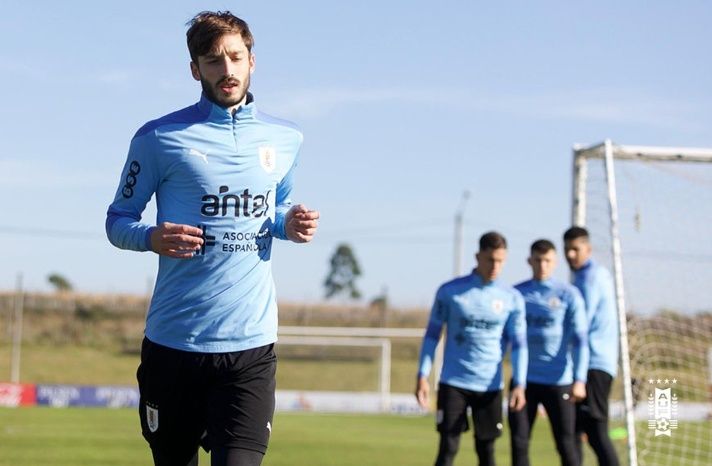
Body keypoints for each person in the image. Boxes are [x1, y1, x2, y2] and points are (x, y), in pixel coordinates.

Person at [105, 11, 319, 466]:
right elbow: (118, 220)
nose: (227, 70)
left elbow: (275, 209)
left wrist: (289, 223)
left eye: (236, 57)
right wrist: (151, 237)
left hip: (249, 347)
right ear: (195, 69)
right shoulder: (158, 138)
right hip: (174, 344)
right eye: (213, 60)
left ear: (252, 61)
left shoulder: (286, 139)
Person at [415, 231, 527, 466]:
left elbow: (519, 345)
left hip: (490, 385)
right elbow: (432, 335)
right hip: (454, 381)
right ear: (478, 257)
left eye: (501, 261)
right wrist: (422, 375)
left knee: (487, 451)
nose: (495, 266)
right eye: (490, 260)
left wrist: (519, 383)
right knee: (448, 447)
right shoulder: (450, 292)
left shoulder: (512, 298)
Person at [509, 239, 589, 466]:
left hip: (559, 381)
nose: (542, 265)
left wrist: (580, 379)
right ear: (529, 261)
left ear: (555, 262)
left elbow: (581, 340)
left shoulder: (568, 295)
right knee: (519, 443)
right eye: (538, 260)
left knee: (566, 444)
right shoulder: (517, 294)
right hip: (524, 382)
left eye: (547, 260)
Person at [563, 227, 620, 466]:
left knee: (595, 430)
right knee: (574, 431)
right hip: (590, 362)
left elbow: (580, 323)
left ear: (588, 249)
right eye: (567, 249)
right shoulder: (584, 275)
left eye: (576, 249)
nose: (570, 255)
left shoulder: (590, 277)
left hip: (594, 362)